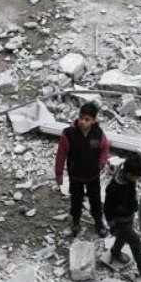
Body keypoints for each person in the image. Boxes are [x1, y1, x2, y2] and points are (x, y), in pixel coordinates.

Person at [54, 101, 111, 238]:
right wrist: (59, 173)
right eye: (81, 118)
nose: (83, 122)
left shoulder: (98, 133)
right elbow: (61, 155)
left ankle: (98, 222)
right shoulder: (68, 134)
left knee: (95, 200)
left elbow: (105, 148)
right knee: (76, 200)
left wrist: (102, 163)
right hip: (76, 176)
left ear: (93, 120)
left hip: (93, 175)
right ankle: (75, 222)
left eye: (87, 120)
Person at [104, 155, 141, 278]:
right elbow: (107, 207)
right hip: (119, 220)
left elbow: (131, 195)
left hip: (128, 215)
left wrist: (134, 206)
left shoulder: (129, 180)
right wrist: (110, 222)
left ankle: (115, 251)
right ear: (129, 173)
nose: (137, 179)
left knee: (123, 237)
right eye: (136, 176)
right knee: (135, 241)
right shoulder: (114, 187)